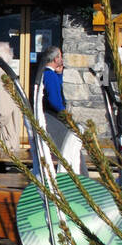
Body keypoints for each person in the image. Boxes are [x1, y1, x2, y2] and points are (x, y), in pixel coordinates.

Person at [34, 45, 84, 173]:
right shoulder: (49, 75)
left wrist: (60, 74)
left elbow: (57, 86)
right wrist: (64, 114)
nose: (62, 59)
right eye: (60, 56)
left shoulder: (49, 74)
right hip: (53, 116)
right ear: (56, 59)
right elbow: (54, 99)